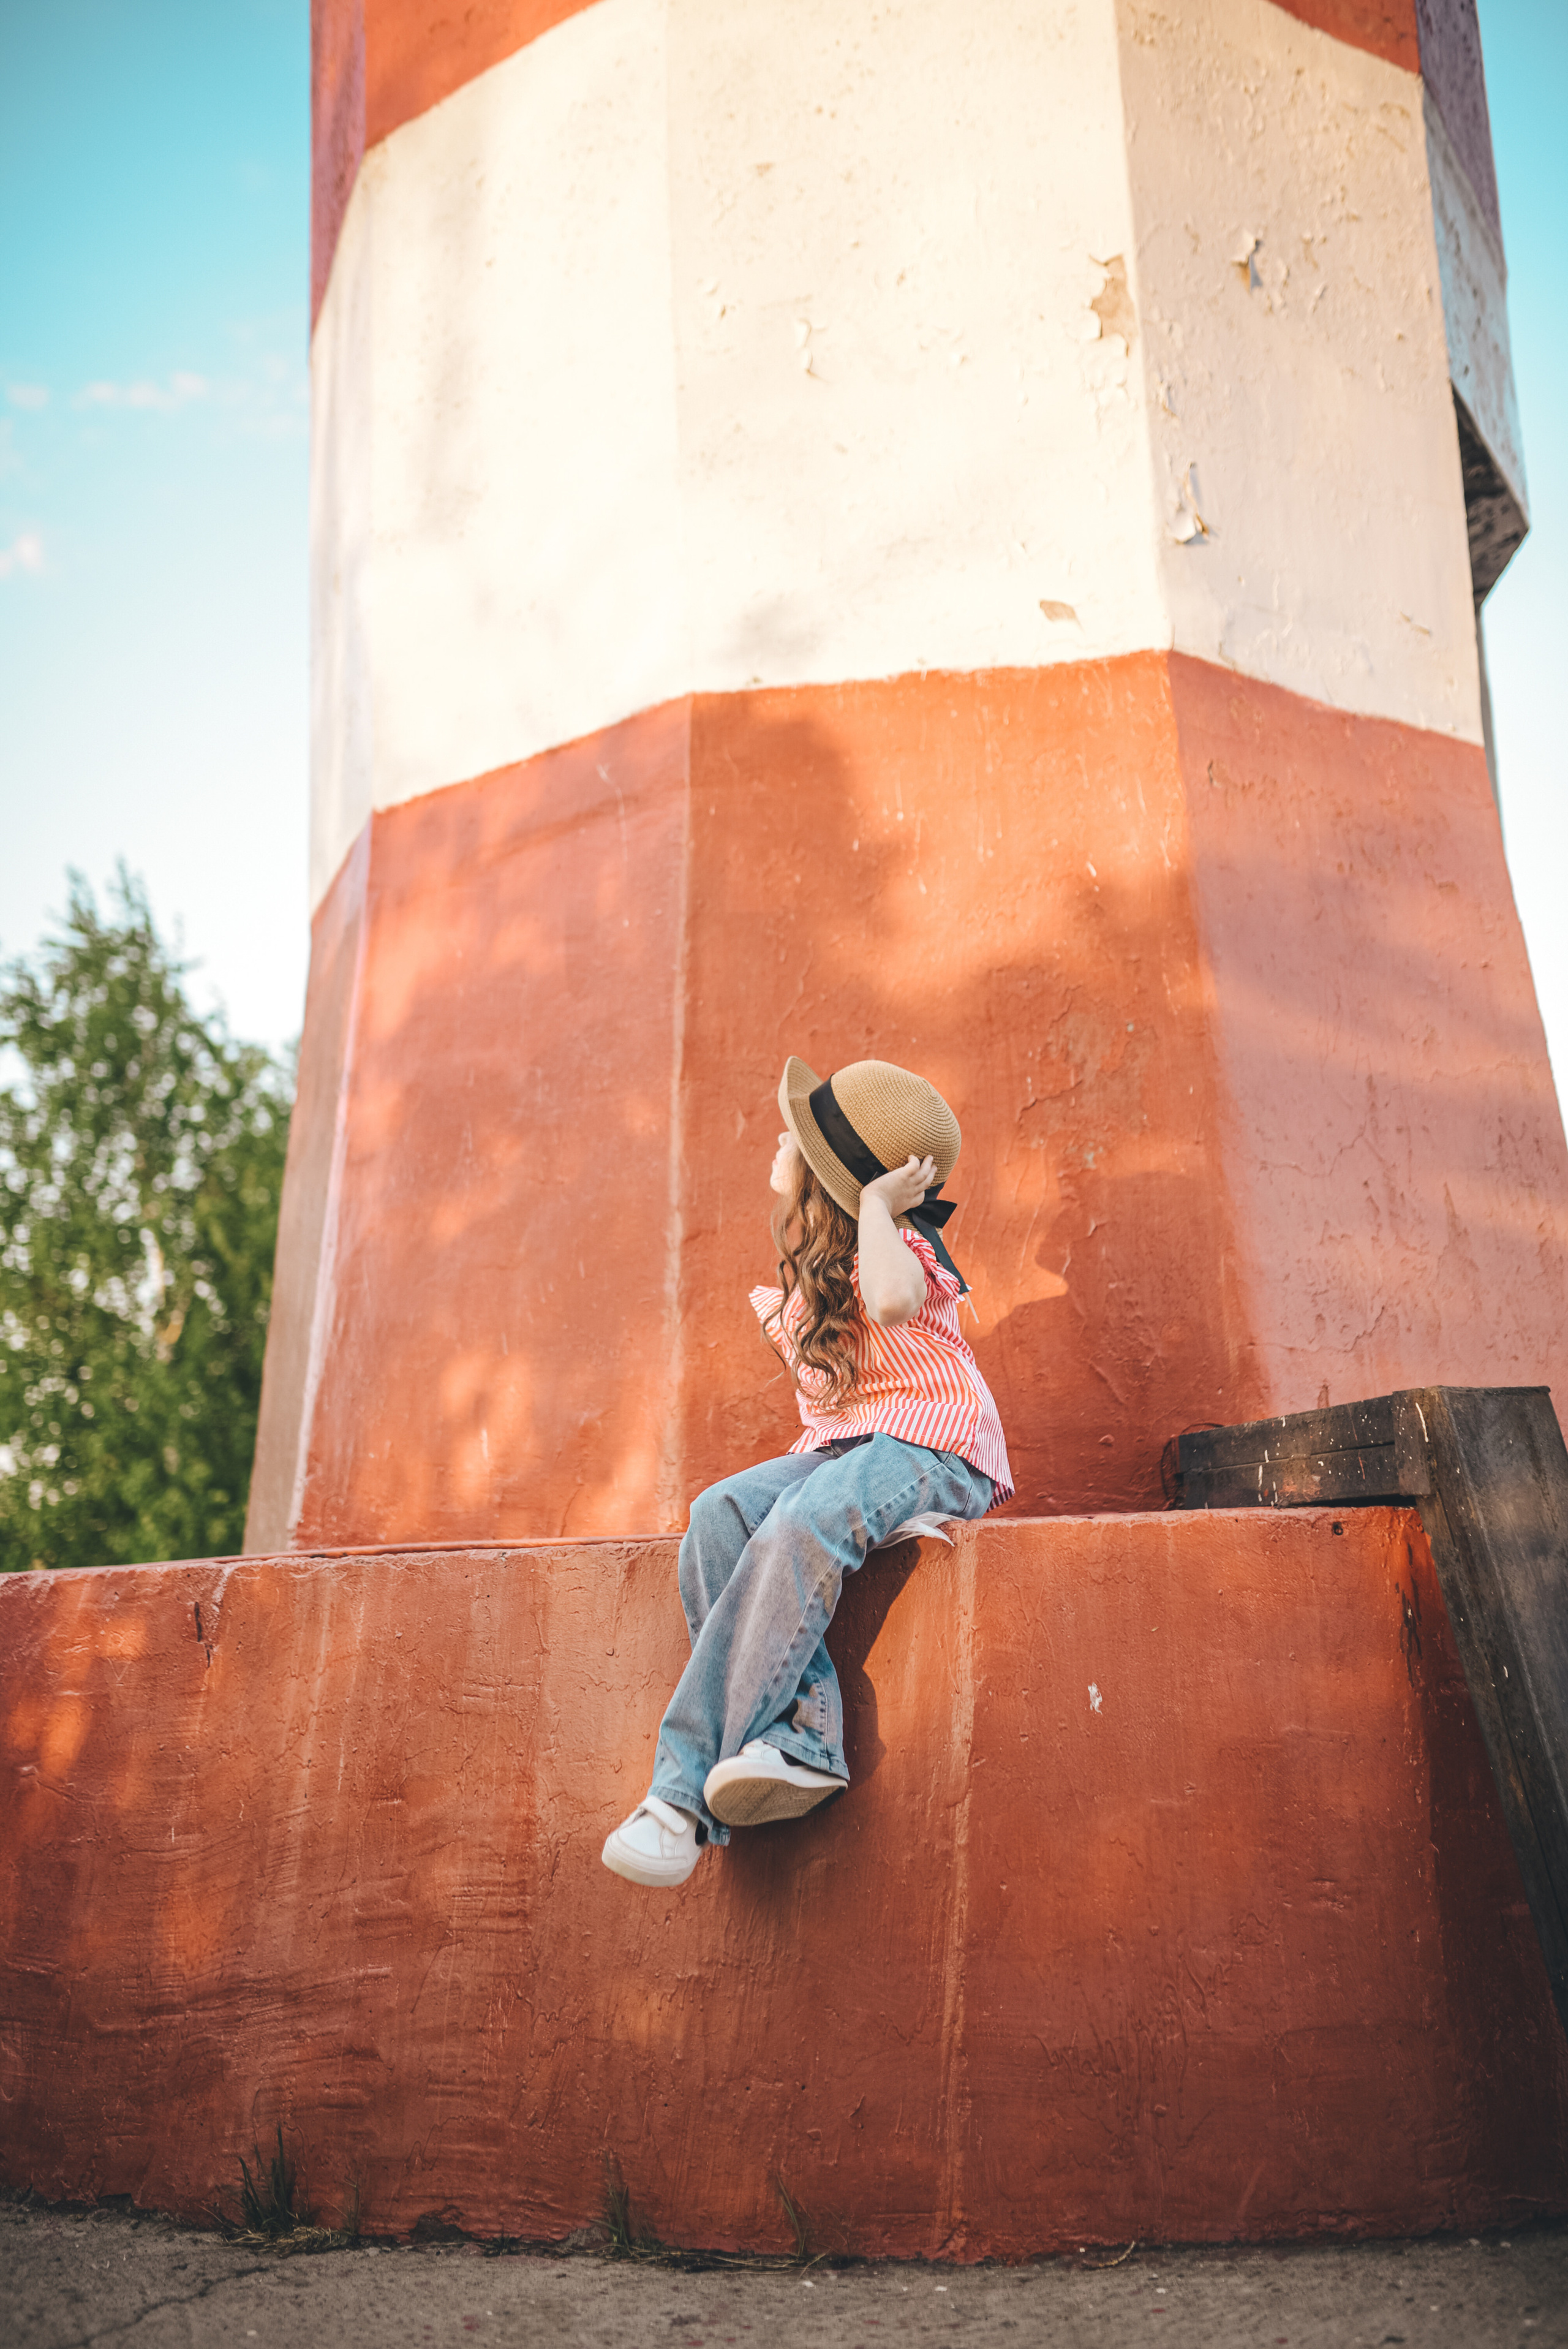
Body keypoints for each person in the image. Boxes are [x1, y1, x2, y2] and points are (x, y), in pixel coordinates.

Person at [601, 1055, 1012, 1888]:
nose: (779, 1140)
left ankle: (677, 1800)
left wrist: (873, 1204)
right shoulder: (817, 1271)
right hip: (850, 1452)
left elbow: (895, 1305)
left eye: (796, 1135)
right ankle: (802, 1739)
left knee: (800, 1524)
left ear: (836, 1172)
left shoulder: (896, 1245)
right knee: (718, 1512)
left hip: (933, 1448)